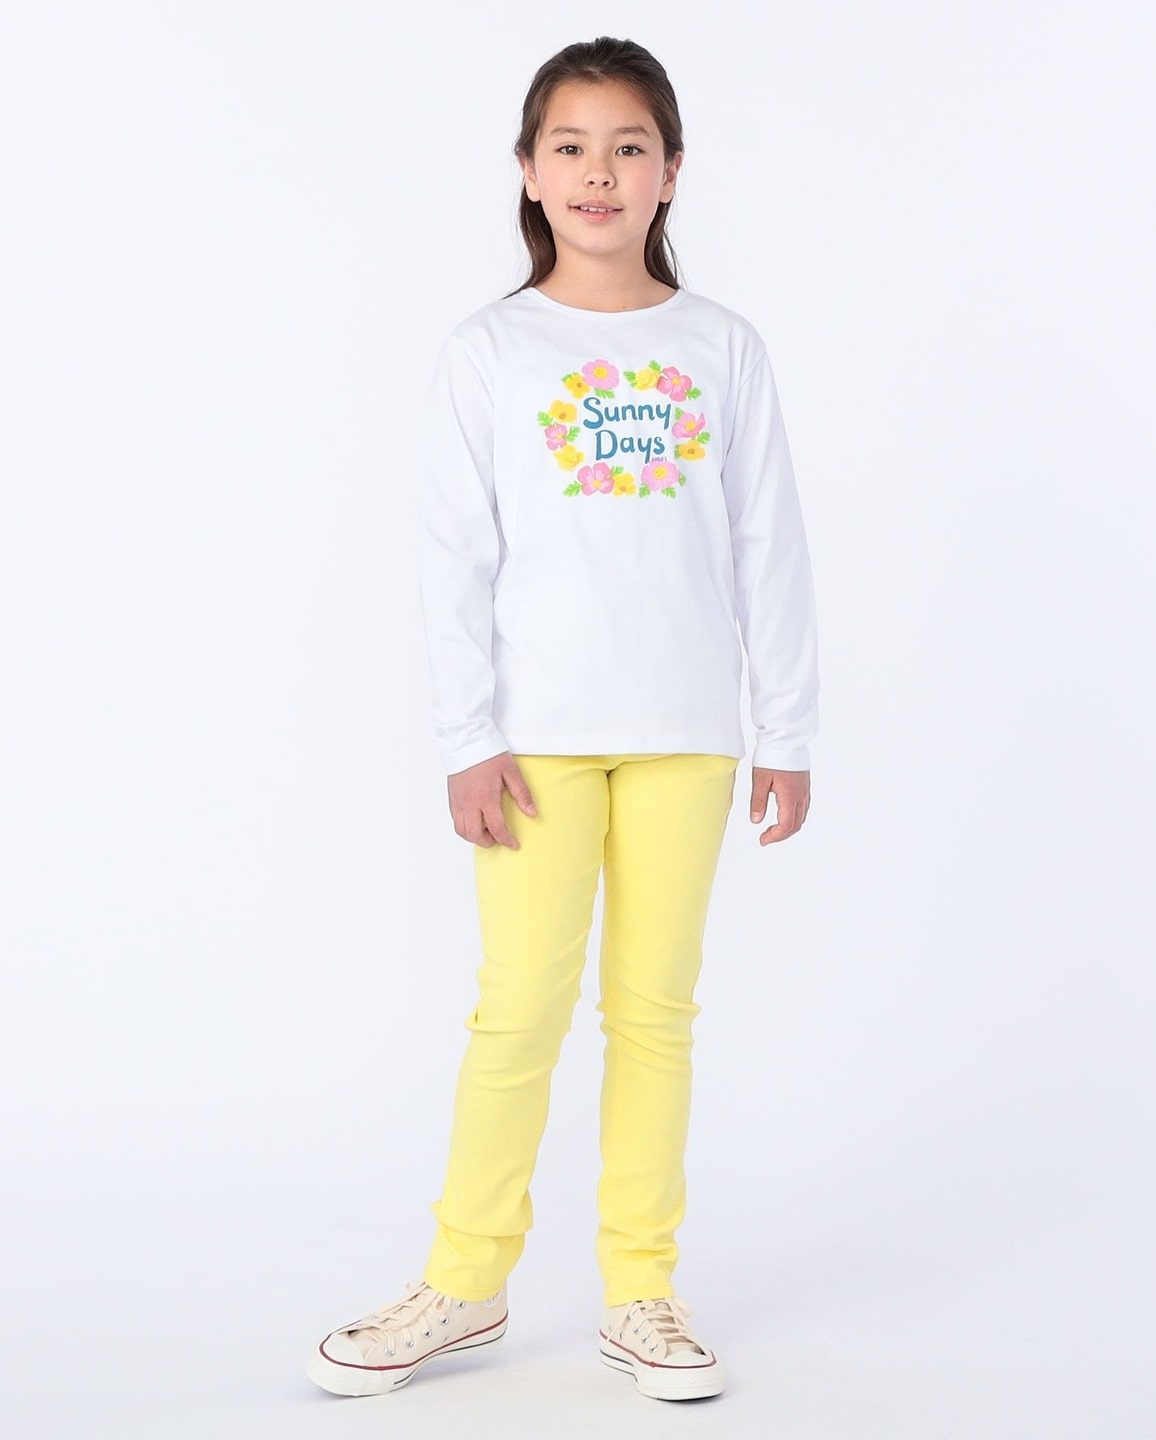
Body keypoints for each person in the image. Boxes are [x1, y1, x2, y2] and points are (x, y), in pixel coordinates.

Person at [306, 34, 819, 1405]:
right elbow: (452, 556)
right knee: (519, 1009)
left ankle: (641, 1292)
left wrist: (786, 732)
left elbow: (768, 544)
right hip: (533, 741)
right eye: (571, 147)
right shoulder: (493, 350)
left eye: (628, 146)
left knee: (654, 1013)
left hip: (688, 733)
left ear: (672, 171)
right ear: (529, 172)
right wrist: (465, 738)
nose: (600, 172)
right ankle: (464, 1281)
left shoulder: (721, 346)